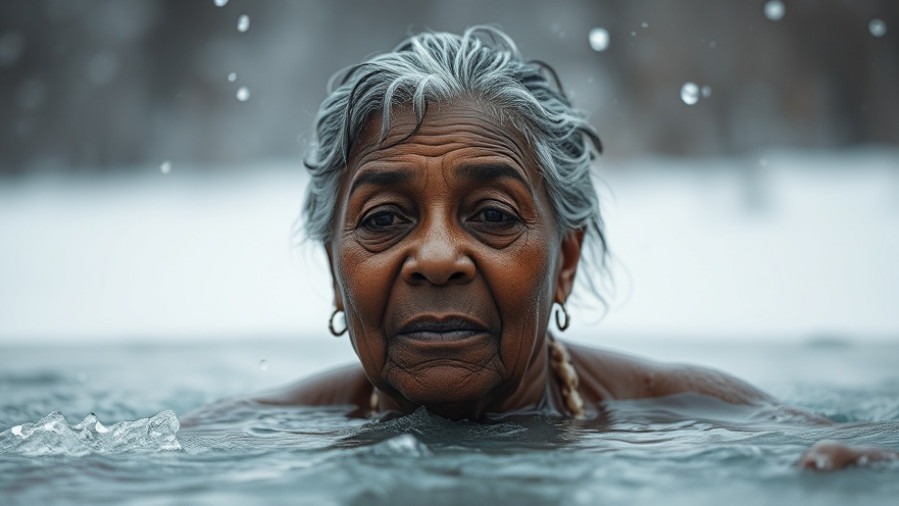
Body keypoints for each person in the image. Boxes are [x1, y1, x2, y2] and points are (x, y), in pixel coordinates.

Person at [252, 26, 896, 471]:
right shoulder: (234, 441)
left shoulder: (695, 417)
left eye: (494, 214)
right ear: (335, 273)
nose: (439, 257)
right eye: (386, 218)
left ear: (565, 261)